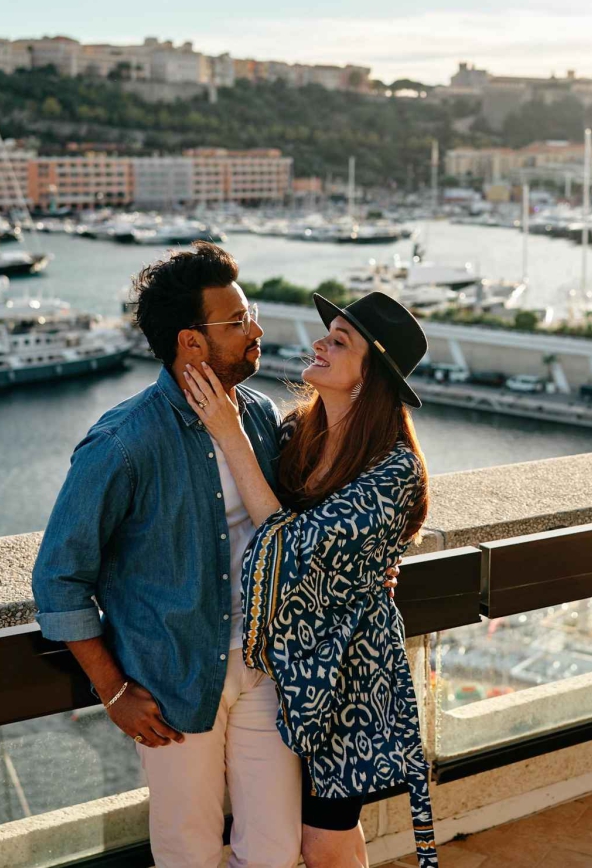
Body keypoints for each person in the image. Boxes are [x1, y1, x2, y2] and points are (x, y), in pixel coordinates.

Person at [31, 242, 301, 868]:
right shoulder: (122, 444)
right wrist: (112, 690)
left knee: (275, 849)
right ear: (191, 343)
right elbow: (59, 577)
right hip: (172, 684)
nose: (256, 331)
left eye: (251, 315)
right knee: (188, 852)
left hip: (266, 667)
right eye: (238, 322)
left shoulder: (261, 418)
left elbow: (303, 527)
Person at [181, 290, 437, 868]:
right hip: (285, 672)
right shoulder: (298, 432)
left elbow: (290, 547)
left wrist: (230, 434)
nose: (319, 343)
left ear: (369, 378)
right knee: (294, 834)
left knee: (323, 840)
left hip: (347, 677)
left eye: (339, 341)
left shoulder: (396, 469)